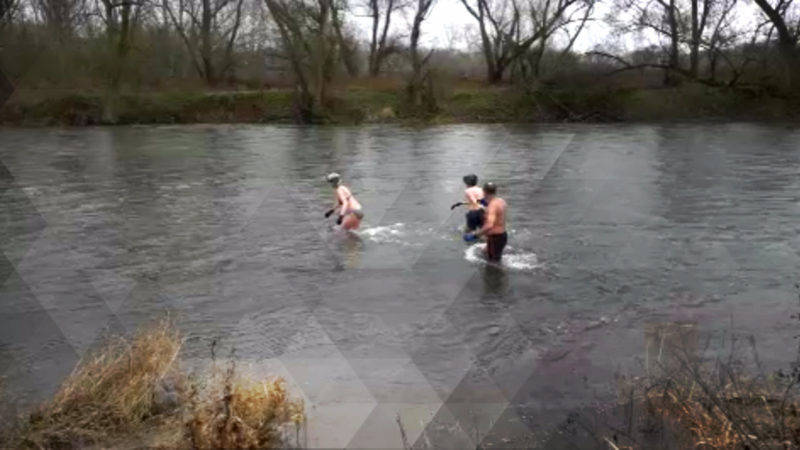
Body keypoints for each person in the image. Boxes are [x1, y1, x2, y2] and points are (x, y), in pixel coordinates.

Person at [467, 182, 507, 262]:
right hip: (501, 235)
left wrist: (476, 235)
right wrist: (484, 209)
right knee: (485, 253)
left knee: (493, 263)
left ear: (484, 191)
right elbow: (498, 215)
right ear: (495, 191)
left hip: (495, 237)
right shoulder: (501, 201)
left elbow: (489, 225)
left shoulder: (492, 206)